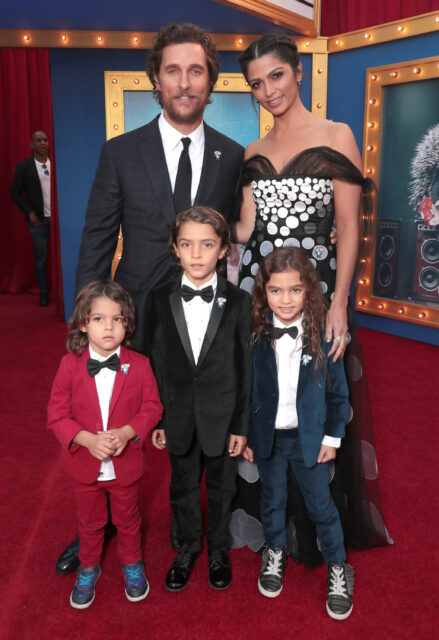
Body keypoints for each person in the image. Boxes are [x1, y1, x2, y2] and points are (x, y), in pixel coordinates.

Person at [229, 34, 392, 563]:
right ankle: (274, 525)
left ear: (298, 72)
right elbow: (245, 231)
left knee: (317, 399)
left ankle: (320, 524)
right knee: (269, 394)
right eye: (256, 82)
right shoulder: (252, 151)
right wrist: (192, 232)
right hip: (261, 292)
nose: (267, 89)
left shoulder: (338, 134)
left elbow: (349, 226)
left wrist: (341, 301)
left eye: (276, 75)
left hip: (317, 296)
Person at [75, 22, 244, 350]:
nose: (184, 83)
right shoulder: (119, 153)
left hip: (210, 323)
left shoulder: (234, 156)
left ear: (210, 80)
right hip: (137, 316)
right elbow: (97, 239)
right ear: (156, 78)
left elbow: (242, 228)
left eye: (195, 71)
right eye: (172, 71)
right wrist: (88, 320)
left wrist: (318, 233)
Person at [144, 206, 252, 592]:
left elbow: (246, 367)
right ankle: (188, 547)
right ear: (175, 248)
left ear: (224, 249)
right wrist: (156, 419)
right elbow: (152, 362)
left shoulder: (240, 302)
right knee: (183, 486)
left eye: (207, 245)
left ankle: (219, 549)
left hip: (223, 417)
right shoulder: (158, 299)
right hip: (177, 415)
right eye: (187, 244)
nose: (196, 254)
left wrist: (241, 424)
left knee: (224, 488)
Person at [245, 246, 354, 619]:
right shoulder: (255, 334)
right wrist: (246, 434)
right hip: (269, 439)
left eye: (294, 290)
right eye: (276, 290)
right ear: (265, 292)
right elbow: (246, 390)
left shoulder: (325, 335)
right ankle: (274, 552)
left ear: (308, 290)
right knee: (271, 500)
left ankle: (338, 566)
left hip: (310, 440)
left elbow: (338, 393)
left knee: (321, 506)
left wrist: (332, 438)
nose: (286, 299)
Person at [47, 281, 163, 609]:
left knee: (128, 518)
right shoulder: (69, 364)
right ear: (83, 323)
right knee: (90, 521)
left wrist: (127, 433)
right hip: (84, 464)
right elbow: (56, 415)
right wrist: (86, 440)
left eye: (117, 319)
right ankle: (88, 567)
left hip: (125, 465)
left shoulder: (139, 365)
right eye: (99, 319)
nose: (109, 327)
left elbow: (152, 408)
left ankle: (132, 564)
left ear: (128, 323)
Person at [10, 131, 52, 306]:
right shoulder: (24, 167)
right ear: (32, 145)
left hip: (59, 220)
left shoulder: (56, 163)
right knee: (41, 257)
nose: (43, 143)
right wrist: (30, 213)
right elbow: (14, 193)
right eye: (39, 140)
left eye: (45, 140)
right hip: (39, 221)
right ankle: (43, 293)